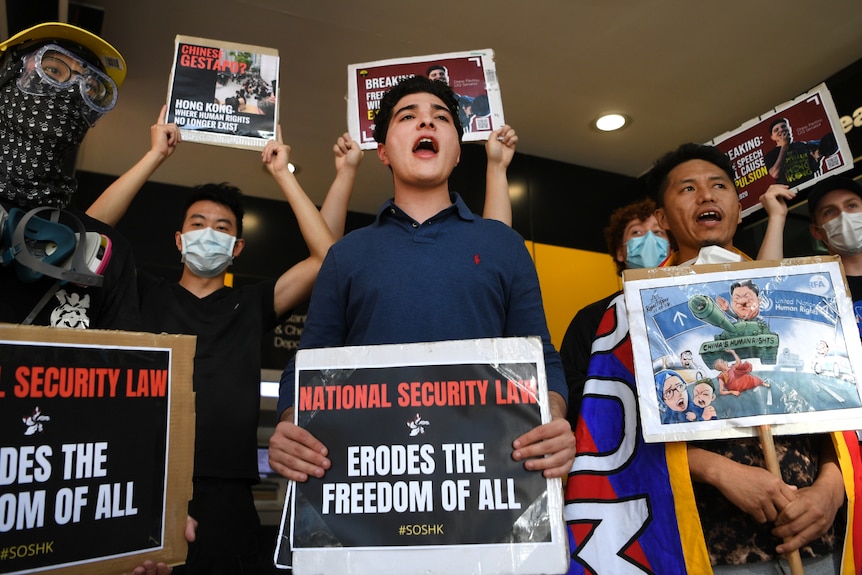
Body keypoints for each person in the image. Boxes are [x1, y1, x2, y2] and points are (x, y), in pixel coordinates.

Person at [268, 76, 576, 492]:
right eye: (408, 117)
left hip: (490, 484)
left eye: (441, 118)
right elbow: (308, 365)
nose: (426, 124)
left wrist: (555, 418)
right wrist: (289, 422)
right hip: (370, 489)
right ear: (382, 153)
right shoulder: (346, 255)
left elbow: (542, 359)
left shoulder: (504, 245)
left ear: (457, 155)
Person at [565, 142, 859, 574]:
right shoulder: (631, 311)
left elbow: (836, 405)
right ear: (663, 218)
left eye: (718, 185)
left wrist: (832, 487)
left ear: (738, 208)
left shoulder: (790, 287)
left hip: (819, 538)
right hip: (713, 549)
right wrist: (720, 472)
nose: (706, 195)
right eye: (687, 188)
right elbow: (613, 433)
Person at [91, 118, 361, 575]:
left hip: (230, 494)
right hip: (143, 480)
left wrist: (283, 173)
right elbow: (90, 231)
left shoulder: (251, 302)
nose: (208, 233)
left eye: (222, 227)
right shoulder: (141, 292)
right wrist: (156, 154)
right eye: (198, 224)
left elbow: (326, 259)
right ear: (179, 241)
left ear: (236, 248)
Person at [0, 22, 140, 330]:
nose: (71, 93)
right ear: (8, 75)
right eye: (52, 70)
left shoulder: (108, 252)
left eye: (89, 88)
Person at [559, 198, 669, 426]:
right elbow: (570, 384)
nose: (649, 239)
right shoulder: (592, 318)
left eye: (658, 233)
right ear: (621, 252)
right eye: (637, 232)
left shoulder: (689, 305)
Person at [807, 176, 862, 336]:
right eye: (830, 211)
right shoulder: (818, 291)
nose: (844, 216)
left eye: (851, 205)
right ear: (816, 231)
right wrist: (777, 216)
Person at [764, 117, 822, 187]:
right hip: (792, 193)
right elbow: (775, 173)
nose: (781, 130)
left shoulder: (803, 145)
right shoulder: (771, 155)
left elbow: (815, 169)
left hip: (812, 186)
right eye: (776, 130)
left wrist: (818, 158)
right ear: (772, 137)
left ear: (790, 128)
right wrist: (785, 146)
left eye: (783, 126)